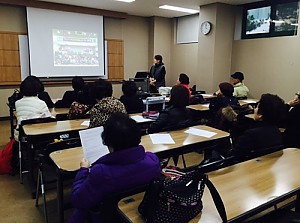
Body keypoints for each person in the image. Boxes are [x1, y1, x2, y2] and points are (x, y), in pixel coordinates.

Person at [69, 112, 161, 223]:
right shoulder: (153, 161)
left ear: (109, 143)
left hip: (107, 217)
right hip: (136, 211)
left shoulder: (100, 172)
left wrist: (83, 170)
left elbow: (78, 200)